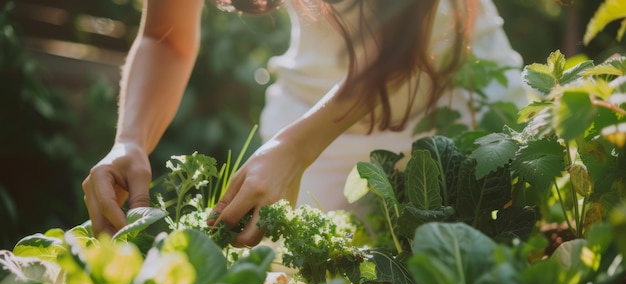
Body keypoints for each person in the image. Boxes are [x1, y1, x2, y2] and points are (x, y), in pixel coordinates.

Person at [82, 0, 528, 247]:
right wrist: (130, 139)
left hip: (451, 85)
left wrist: (297, 147)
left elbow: (405, 38)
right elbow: (169, 37)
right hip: (311, 104)